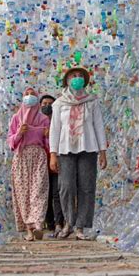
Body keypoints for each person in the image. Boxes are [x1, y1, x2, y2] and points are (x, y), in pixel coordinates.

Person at [49, 67, 107, 240]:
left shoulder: (92, 101)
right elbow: (55, 129)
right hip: (65, 149)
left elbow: (98, 125)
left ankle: (80, 226)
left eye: (80, 75)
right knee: (66, 186)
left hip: (88, 147)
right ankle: (68, 222)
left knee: (86, 187)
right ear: (67, 80)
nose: (77, 78)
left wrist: (103, 151)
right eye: (73, 76)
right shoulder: (59, 103)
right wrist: (53, 153)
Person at [7, 87, 50, 241]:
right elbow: (10, 142)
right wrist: (20, 133)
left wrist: (47, 136)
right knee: (23, 193)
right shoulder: (16, 119)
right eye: (27, 94)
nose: (30, 96)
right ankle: (29, 230)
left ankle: (38, 225)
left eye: (33, 94)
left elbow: (48, 145)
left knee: (39, 190)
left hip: (38, 156)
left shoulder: (44, 120)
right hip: (21, 157)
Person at [40, 94, 65, 237]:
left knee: (57, 193)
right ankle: (49, 223)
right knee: (45, 195)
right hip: (41, 165)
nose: (47, 106)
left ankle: (59, 222)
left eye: (50, 103)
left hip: (56, 162)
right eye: (44, 103)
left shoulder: (60, 122)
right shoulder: (36, 122)